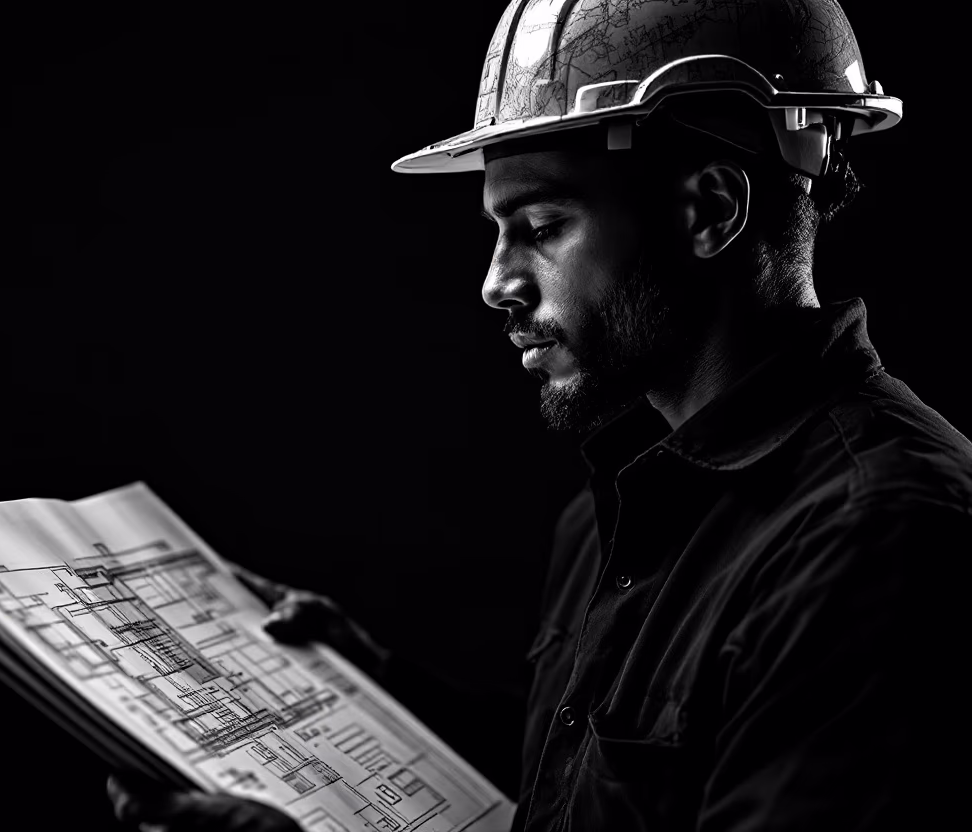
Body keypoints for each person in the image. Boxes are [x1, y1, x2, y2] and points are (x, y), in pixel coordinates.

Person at [109, 1, 971, 829]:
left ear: (710, 209)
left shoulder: (884, 538)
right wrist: (362, 683)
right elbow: (586, 795)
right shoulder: (622, 511)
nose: (496, 284)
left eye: (542, 224)